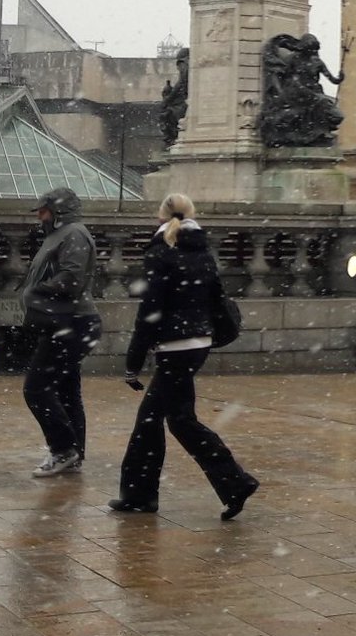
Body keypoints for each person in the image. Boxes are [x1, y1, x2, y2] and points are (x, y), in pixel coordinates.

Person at [111, 194, 260, 520]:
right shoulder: (202, 251)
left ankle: (234, 481)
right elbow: (217, 298)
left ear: (160, 217)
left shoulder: (161, 253)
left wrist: (132, 363)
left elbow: (150, 311)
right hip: (198, 343)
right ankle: (141, 494)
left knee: (173, 421)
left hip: (175, 346)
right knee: (162, 420)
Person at [22, 187, 102, 478]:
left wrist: (37, 290)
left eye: (43, 211)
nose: (39, 217)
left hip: (71, 323)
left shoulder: (74, 234)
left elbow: (71, 278)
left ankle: (63, 449)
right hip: (65, 321)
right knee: (67, 390)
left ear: (58, 211)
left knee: (36, 388)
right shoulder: (60, 234)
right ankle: (73, 452)